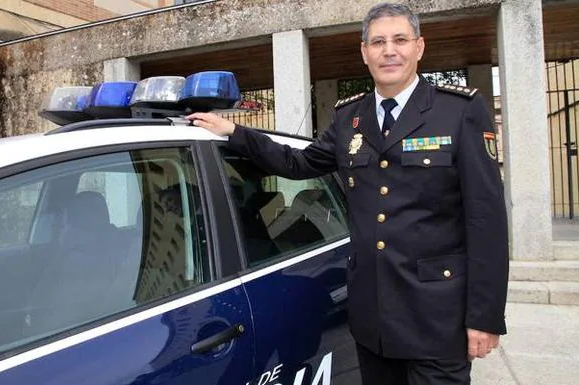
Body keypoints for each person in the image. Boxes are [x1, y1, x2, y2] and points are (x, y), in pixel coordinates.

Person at [187, 3, 509, 384]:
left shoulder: (458, 112)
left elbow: (486, 221)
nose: (389, 50)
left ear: (419, 48)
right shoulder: (349, 118)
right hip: (372, 321)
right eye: (378, 42)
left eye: (400, 40)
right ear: (364, 52)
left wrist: (484, 318)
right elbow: (298, 164)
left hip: (437, 321)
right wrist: (236, 133)